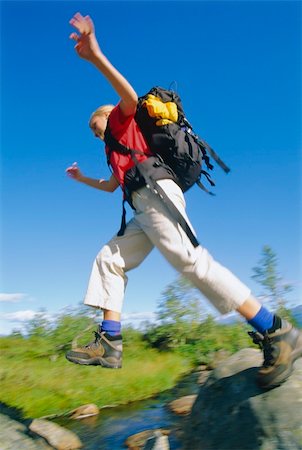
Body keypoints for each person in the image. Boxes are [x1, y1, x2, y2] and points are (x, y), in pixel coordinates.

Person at [65, 12, 302, 389]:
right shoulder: (115, 150)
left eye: (99, 127)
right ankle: (110, 341)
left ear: (108, 118)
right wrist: (81, 180)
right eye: (95, 132)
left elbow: (127, 96)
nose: (98, 134)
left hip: (157, 194)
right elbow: (112, 187)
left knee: (192, 263)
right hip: (142, 209)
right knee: (110, 259)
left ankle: (275, 330)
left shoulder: (122, 122)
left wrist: (95, 56)